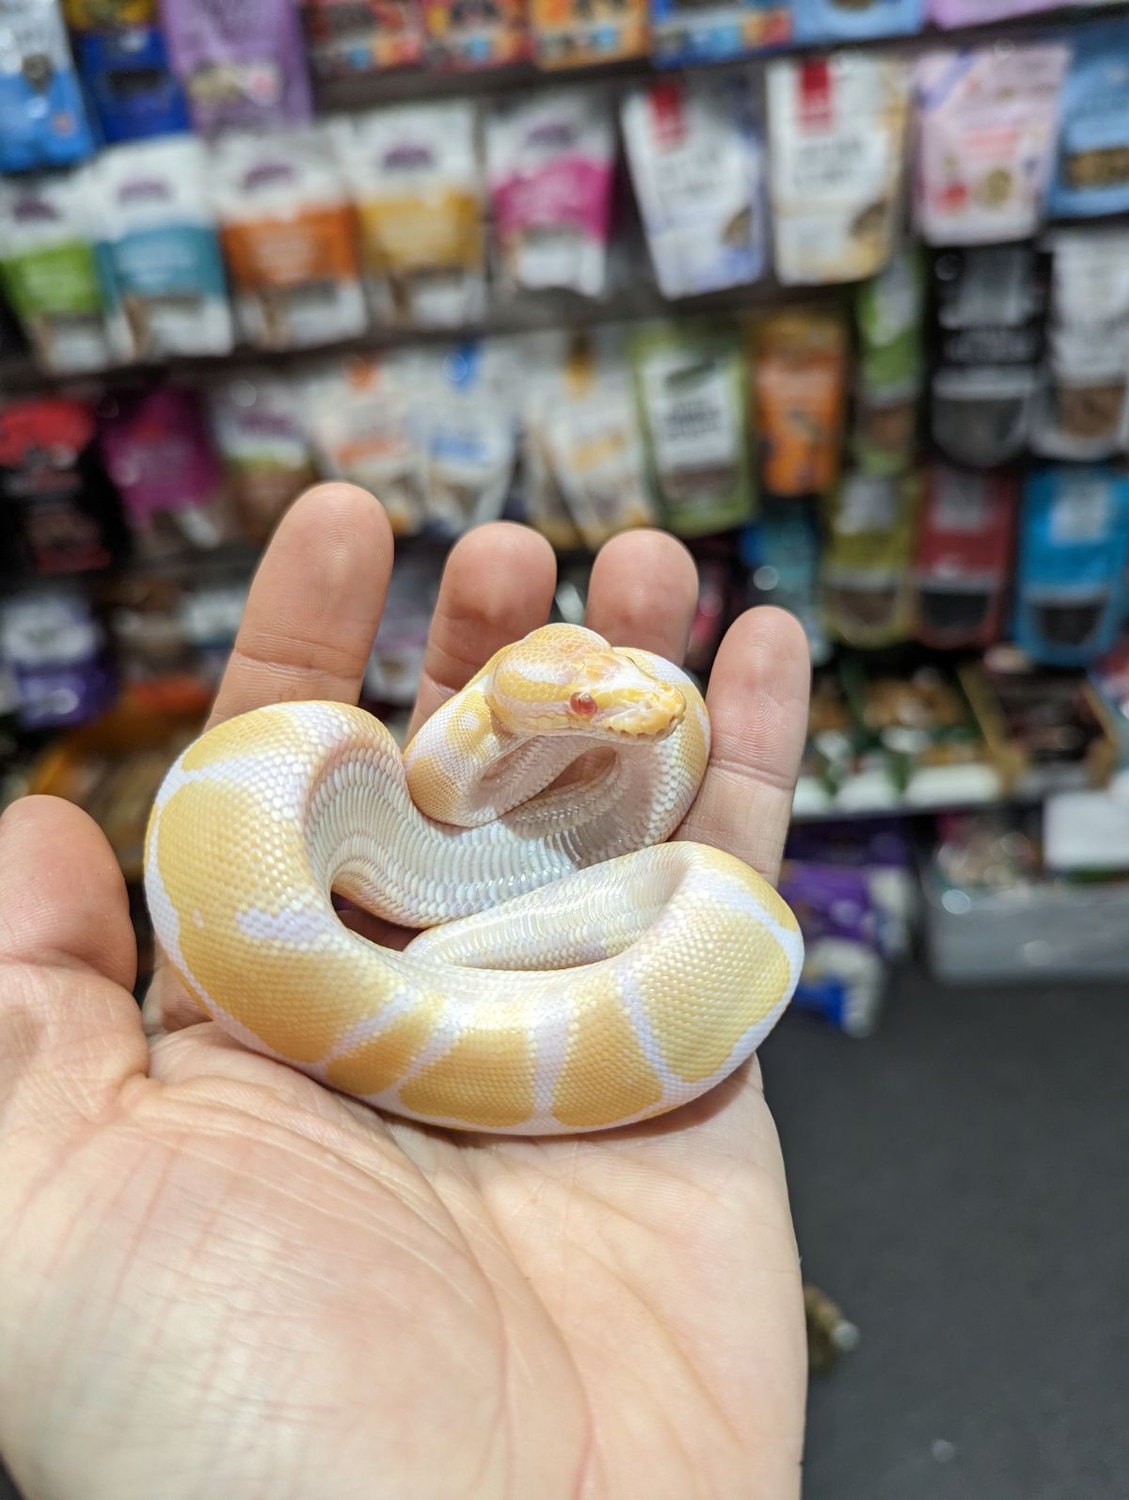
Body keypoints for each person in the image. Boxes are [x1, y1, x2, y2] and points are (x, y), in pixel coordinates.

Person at [0, 483, 811, 1500]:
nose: (630, 707)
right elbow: (449, 790)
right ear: (519, 713)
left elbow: (567, 728)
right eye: (588, 706)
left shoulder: (559, 725)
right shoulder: (446, 770)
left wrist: (577, 709)